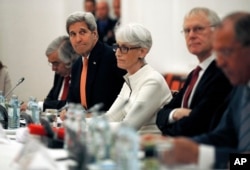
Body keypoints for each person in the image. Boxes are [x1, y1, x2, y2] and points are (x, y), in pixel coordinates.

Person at [143, 11, 250, 169]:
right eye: (218, 53)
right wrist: (176, 146)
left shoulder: (230, 80)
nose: (220, 63)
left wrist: (204, 156)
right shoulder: (241, 89)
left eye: (226, 52)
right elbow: (222, 136)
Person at [156, 7, 233, 137]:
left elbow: (198, 124)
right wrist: (176, 113)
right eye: (187, 30)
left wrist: (165, 137)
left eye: (198, 29)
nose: (191, 35)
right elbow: (161, 115)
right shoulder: (194, 74)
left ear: (217, 32)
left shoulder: (223, 72)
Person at [87, 23, 172, 134]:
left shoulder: (152, 81)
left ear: (142, 52)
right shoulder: (130, 80)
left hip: (149, 148)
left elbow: (128, 127)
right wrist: (77, 123)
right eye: (117, 46)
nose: (117, 53)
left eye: (124, 48)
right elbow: (110, 117)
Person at [61, 11, 125, 120]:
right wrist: (67, 110)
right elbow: (72, 102)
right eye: (73, 34)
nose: (78, 39)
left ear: (94, 34)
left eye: (82, 32)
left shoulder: (112, 57)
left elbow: (125, 101)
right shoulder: (76, 66)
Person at [44, 35, 79, 111]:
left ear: (69, 60)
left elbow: (70, 105)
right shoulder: (59, 74)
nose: (53, 69)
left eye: (56, 63)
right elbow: (48, 101)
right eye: (51, 63)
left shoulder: (80, 76)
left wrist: (42, 105)